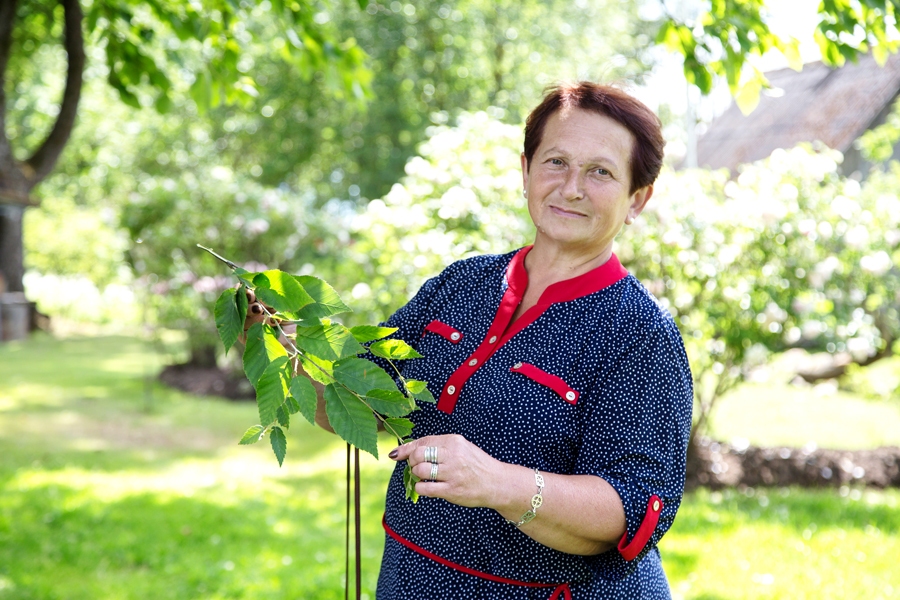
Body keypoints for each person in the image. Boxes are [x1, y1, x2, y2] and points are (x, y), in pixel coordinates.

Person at [251, 81, 693, 598]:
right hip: (411, 581)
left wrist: (496, 481)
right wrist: (272, 342)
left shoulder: (640, 335)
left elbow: (631, 508)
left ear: (637, 199)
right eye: (556, 162)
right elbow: (358, 405)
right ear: (526, 171)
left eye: (600, 172)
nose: (571, 187)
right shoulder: (461, 284)